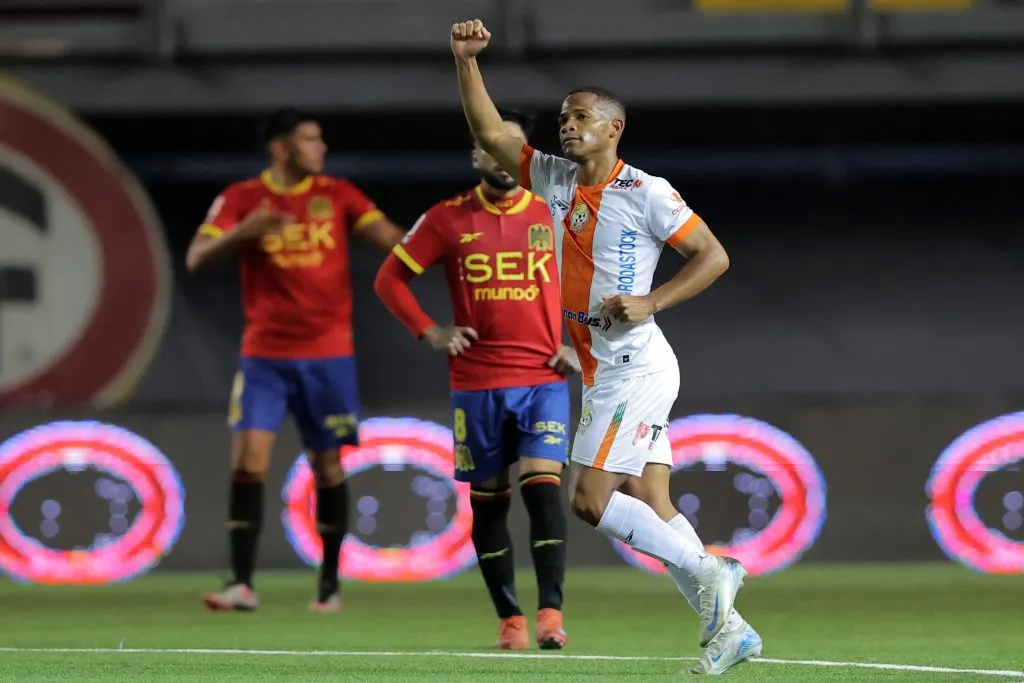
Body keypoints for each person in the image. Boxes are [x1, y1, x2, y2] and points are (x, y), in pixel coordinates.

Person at [449, 19, 761, 675]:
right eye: (564, 117)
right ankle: (729, 630)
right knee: (652, 500)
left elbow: (714, 255)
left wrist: (651, 299)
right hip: (600, 367)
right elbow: (486, 133)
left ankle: (712, 570)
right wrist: (466, 62)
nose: (569, 126)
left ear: (613, 128)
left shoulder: (646, 191)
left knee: (588, 500)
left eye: (582, 116)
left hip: (633, 365)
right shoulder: (554, 179)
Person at [373, 109, 579, 651]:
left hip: (542, 378)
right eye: (494, 146)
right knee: (488, 501)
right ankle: (509, 619)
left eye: (514, 147)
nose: (503, 156)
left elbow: (598, 275)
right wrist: (429, 331)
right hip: (477, 382)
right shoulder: (446, 217)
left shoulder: (554, 213)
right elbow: (389, 278)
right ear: (476, 155)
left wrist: (580, 344)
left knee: (543, 490)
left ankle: (551, 616)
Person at [185, 108, 404, 614]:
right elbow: (197, 258)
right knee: (248, 461)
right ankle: (241, 584)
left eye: (320, 140)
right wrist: (246, 232)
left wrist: (442, 244)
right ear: (282, 148)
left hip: (328, 356)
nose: (320, 148)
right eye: (310, 140)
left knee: (328, 468)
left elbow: (392, 239)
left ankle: (329, 586)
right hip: (264, 355)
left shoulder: (339, 195)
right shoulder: (242, 198)